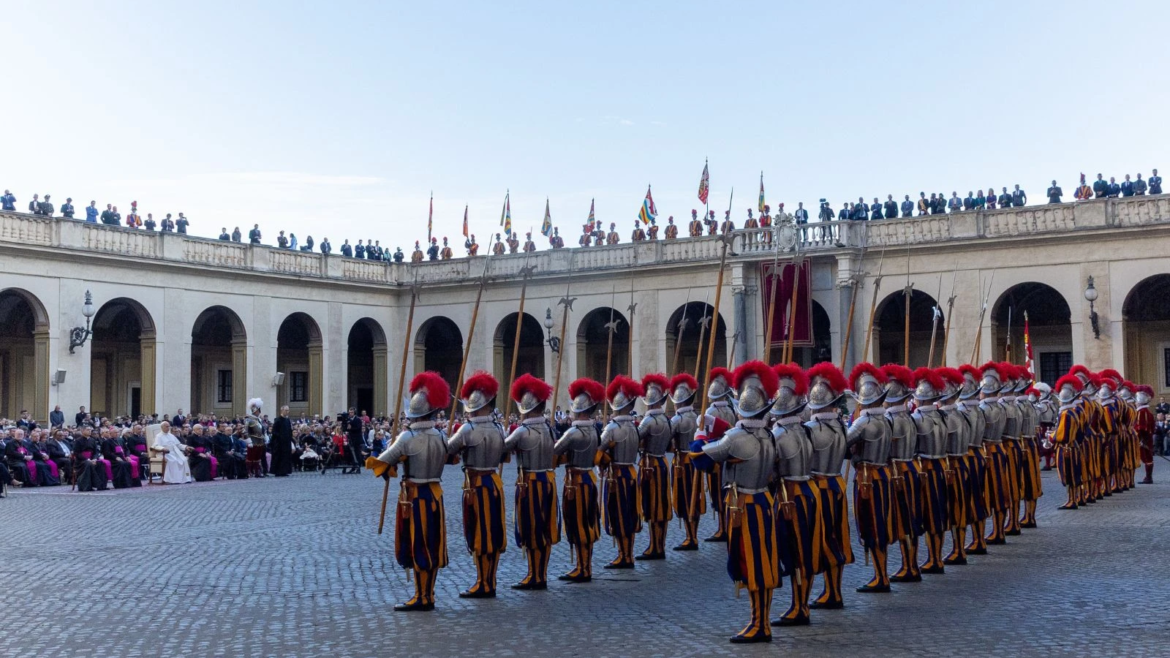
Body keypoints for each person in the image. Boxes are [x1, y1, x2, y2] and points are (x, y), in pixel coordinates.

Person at [689, 361, 780, 643]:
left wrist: (700, 432)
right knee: (763, 563)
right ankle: (761, 620)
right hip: (764, 500)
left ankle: (758, 623)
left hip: (745, 506)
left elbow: (700, 458)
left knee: (750, 563)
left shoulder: (738, 437)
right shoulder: (768, 434)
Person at [368, 372, 451, 611]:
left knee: (418, 544)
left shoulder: (407, 437)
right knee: (433, 544)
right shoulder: (441, 436)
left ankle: (421, 596)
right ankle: (429, 594)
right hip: (436, 494)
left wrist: (389, 465)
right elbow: (451, 458)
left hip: (415, 497)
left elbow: (381, 463)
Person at [446, 372, 508, 596]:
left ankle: (483, 582)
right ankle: (490, 580)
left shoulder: (468, 429)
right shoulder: (499, 428)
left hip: (476, 486)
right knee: (493, 532)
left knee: (480, 534)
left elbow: (447, 451)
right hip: (494, 483)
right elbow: (503, 455)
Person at [501, 374, 560, 590]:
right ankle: (540, 574)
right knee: (544, 529)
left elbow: (501, 448)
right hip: (548, 481)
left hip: (530, 484)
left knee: (532, 529)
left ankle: (535, 575)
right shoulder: (548, 428)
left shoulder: (523, 431)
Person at [803, 363, 853, 609]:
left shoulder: (812, 429)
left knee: (821, 540)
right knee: (835, 537)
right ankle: (834, 590)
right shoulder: (842, 425)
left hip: (819, 487)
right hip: (838, 483)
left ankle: (830, 593)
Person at [769, 364, 813, 626]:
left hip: (788, 497)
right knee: (805, 551)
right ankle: (802, 603)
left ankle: (799, 606)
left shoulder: (778, 434)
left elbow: (769, 470)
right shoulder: (806, 429)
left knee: (794, 552)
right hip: (807, 492)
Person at [845, 364, 894, 592]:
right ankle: (881, 572)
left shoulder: (863, 422)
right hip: (883, 473)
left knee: (872, 525)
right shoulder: (886, 420)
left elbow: (843, 445)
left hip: (867, 478)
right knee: (880, 523)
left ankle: (881, 575)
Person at [553, 377, 605, 583]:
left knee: (578, 524)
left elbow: (555, 451)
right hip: (589, 479)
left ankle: (582, 568)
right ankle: (585, 566)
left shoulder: (574, 432)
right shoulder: (594, 430)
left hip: (576, 483)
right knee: (587, 522)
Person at [599, 376, 643, 568]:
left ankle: (623, 555)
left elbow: (598, 452)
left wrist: (603, 459)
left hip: (616, 477)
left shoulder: (612, 428)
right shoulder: (634, 427)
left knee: (618, 515)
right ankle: (629, 553)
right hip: (632, 474)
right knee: (630, 514)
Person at [636, 373, 673, 560]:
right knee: (662, 506)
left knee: (652, 506)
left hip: (650, 465)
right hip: (663, 463)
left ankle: (654, 546)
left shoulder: (648, 420)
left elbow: (636, 438)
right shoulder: (667, 420)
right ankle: (661, 545)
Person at [667, 373, 703, 550]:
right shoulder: (698, 418)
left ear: (679, 402)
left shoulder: (677, 419)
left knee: (684, 498)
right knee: (694, 497)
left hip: (682, 462)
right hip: (696, 462)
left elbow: (667, 442)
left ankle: (691, 536)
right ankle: (693, 534)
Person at [704, 368, 736, 541]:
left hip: (716, 456)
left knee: (717, 493)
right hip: (728, 456)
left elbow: (707, 435)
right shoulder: (731, 411)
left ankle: (722, 527)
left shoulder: (710, 412)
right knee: (725, 491)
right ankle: (725, 525)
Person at [72, 426, 109, 491]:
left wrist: (94, 459)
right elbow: (77, 453)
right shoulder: (78, 441)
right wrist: (87, 459)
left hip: (92, 459)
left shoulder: (92, 440)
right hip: (81, 461)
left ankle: (101, 486)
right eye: (87, 430)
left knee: (100, 464)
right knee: (88, 464)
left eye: (90, 430)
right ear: (82, 431)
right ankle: (86, 486)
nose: (89, 431)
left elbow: (96, 452)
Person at [1134, 385, 1155, 483]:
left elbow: (1141, 428)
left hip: (1143, 440)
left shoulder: (1142, 412)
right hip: (1146, 438)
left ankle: (1148, 477)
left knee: (1146, 458)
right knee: (1147, 458)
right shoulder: (1145, 411)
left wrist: (1140, 439)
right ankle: (1148, 477)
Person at [270, 406, 294, 477]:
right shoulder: (277, 420)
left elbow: (290, 431)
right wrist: (280, 437)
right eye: (286, 410)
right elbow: (274, 431)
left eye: (288, 410)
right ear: (282, 410)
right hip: (279, 443)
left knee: (286, 457)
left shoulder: (287, 420)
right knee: (279, 457)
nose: (287, 412)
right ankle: (278, 471)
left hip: (286, 443)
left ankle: (285, 471)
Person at [345, 407, 364, 474]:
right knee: (351, 454)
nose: (350, 414)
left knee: (357, 453)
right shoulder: (348, 420)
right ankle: (353, 467)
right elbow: (346, 428)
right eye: (349, 412)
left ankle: (358, 467)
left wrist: (351, 428)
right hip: (351, 438)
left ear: (354, 413)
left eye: (352, 412)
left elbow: (358, 428)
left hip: (357, 438)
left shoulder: (358, 419)